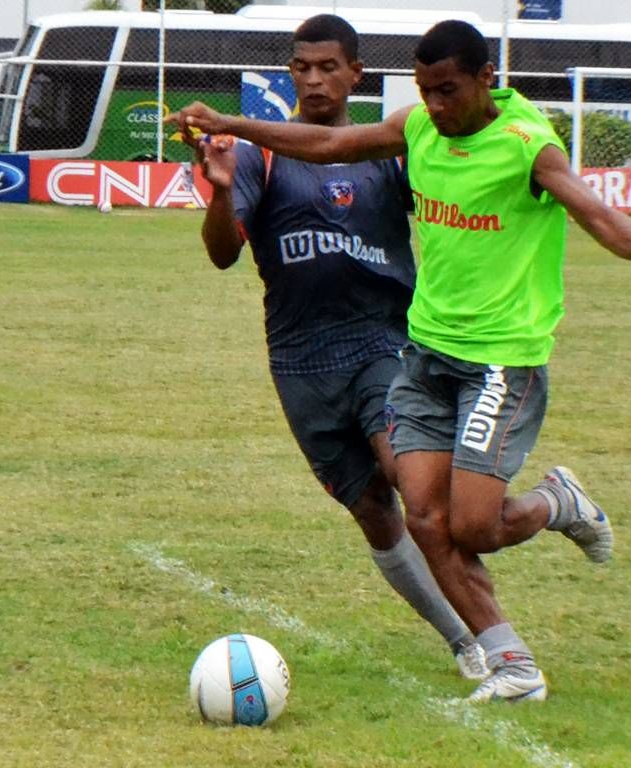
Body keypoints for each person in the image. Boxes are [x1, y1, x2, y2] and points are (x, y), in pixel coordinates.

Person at [169, 18, 631, 703]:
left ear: (484, 80)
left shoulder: (511, 145)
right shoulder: (398, 132)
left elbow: (590, 213)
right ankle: (498, 655)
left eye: (447, 91)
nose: (437, 106)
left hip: (448, 355)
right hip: (366, 359)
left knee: (460, 518)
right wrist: (232, 140)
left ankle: (543, 528)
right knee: (406, 515)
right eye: (426, 92)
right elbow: (309, 162)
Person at [182, 15, 488, 682]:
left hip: (385, 343)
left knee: (413, 486)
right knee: (374, 513)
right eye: (302, 67)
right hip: (299, 362)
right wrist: (223, 192)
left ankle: (495, 639)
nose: (314, 79)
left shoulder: (390, 149)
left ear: (356, 73)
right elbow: (222, 254)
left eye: (328, 67)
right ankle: (462, 640)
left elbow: (453, 209)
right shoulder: (260, 154)